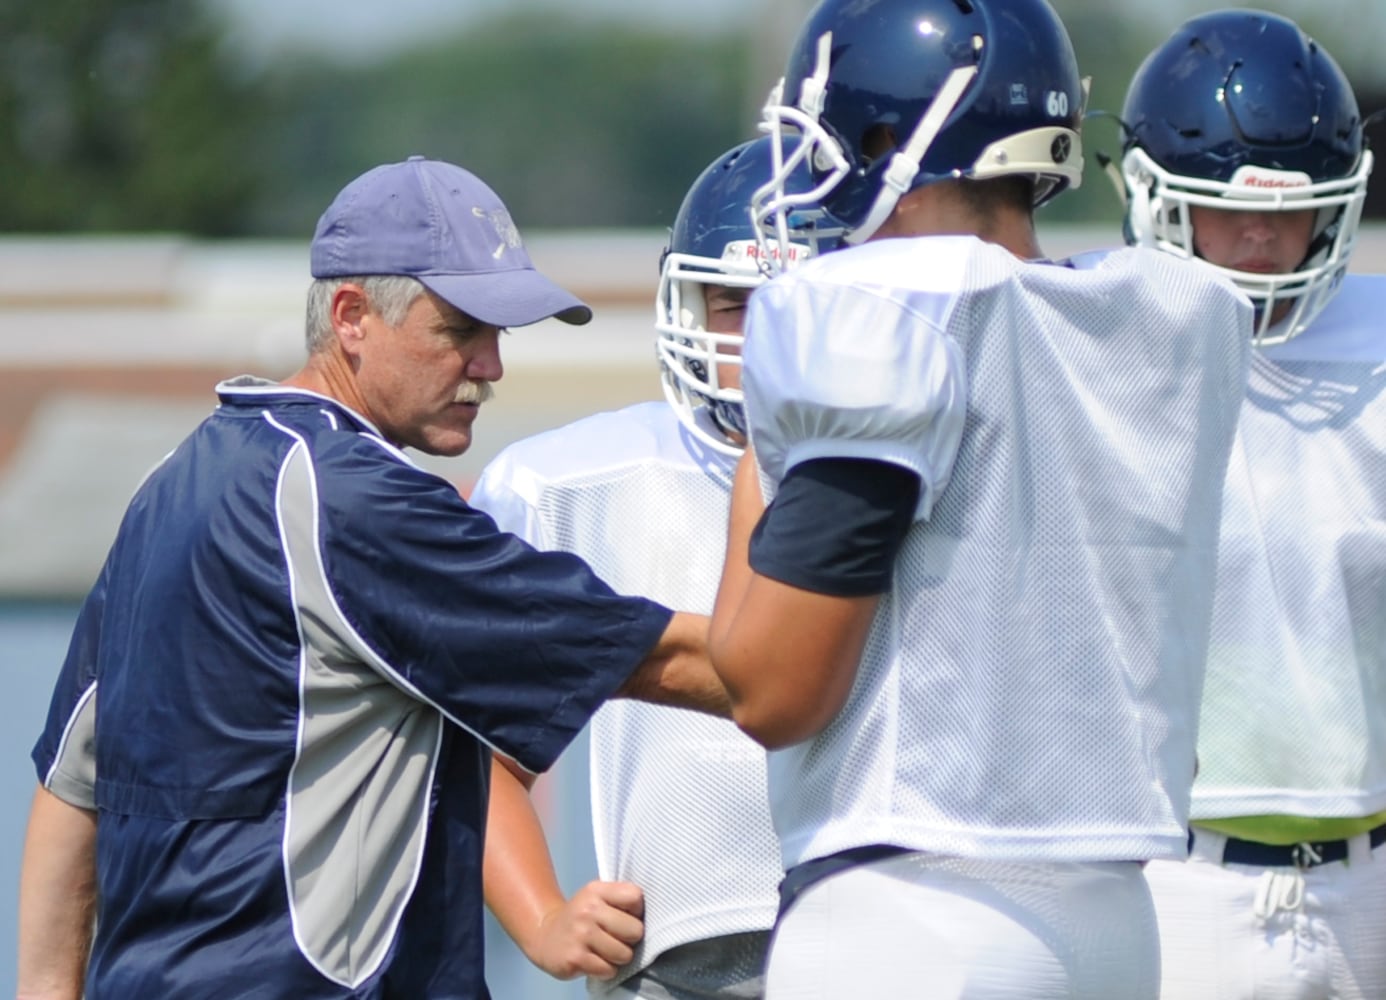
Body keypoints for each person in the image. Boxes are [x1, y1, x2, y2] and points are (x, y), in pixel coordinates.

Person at [16, 155, 730, 1000]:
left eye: (499, 334)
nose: (491, 367)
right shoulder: (358, 503)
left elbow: (71, 791)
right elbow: (685, 663)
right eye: (460, 331)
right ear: (352, 316)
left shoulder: (171, 483)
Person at [704, 0, 1255, 997]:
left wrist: (764, 456)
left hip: (912, 911)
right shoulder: (1165, 317)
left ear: (888, 140)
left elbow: (774, 691)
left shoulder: (878, 318)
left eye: (828, 139)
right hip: (1114, 925)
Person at [474, 136, 820, 1000]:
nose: (766, 336)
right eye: (736, 303)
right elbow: (471, 746)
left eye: (800, 303)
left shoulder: (939, 472)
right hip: (676, 958)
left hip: (892, 937)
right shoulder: (565, 486)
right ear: (687, 303)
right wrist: (543, 914)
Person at [1116, 11, 1386, 998]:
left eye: (1298, 208)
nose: (1265, 240)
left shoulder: (1378, 333)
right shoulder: (1077, 335)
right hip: (1164, 871)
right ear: (1153, 197)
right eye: (1227, 209)